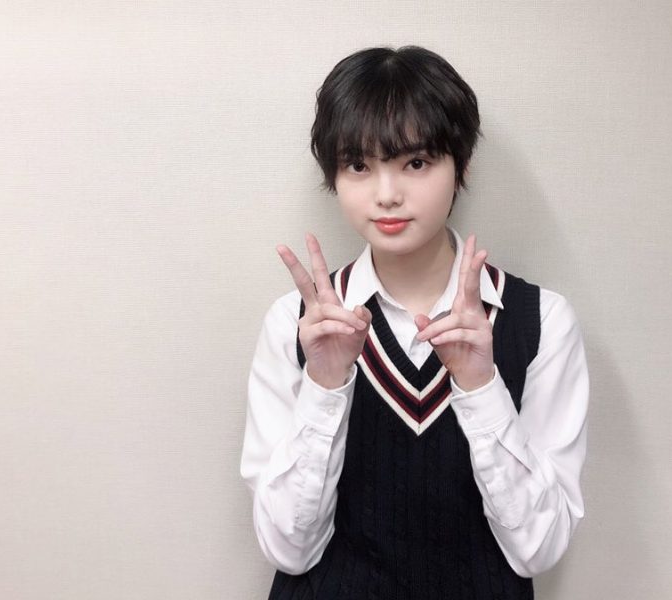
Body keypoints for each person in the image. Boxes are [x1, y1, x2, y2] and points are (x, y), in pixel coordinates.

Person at [240, 46, 589, 600]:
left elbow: (538, 550)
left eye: (416, 163)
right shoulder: (294, 324)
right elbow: (289, 550)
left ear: (462, 166)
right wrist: (325, 384)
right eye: (359, 166)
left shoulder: (541, 321)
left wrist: (481, 387)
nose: (387, 195)